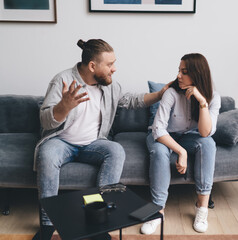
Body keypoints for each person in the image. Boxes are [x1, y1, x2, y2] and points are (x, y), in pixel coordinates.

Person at [33, 39, 169, 240]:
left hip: (93, 143)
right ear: (92, 66)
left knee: (116, 150)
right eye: (110, 64)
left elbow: (130, 100)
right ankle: (47, 224)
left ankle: (99, 220)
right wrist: (64, 106)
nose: (114, 69)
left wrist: (159, 94)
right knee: (46, 154)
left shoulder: (109, 86)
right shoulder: (62, 80)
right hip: (61, 141)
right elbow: (45, 121)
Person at [140, 53, 221, 235]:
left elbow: (205, 133)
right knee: (160, 153)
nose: (178, 76)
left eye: (184, 72)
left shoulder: (213, 97)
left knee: (208, 144)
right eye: (179, 71)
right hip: (164, 136)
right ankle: (156, 211)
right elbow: (158, 129)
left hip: (191, 136)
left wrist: (202, 102)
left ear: (197, 74)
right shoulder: (171, 93)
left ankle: (202, 208)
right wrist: (181, 152)